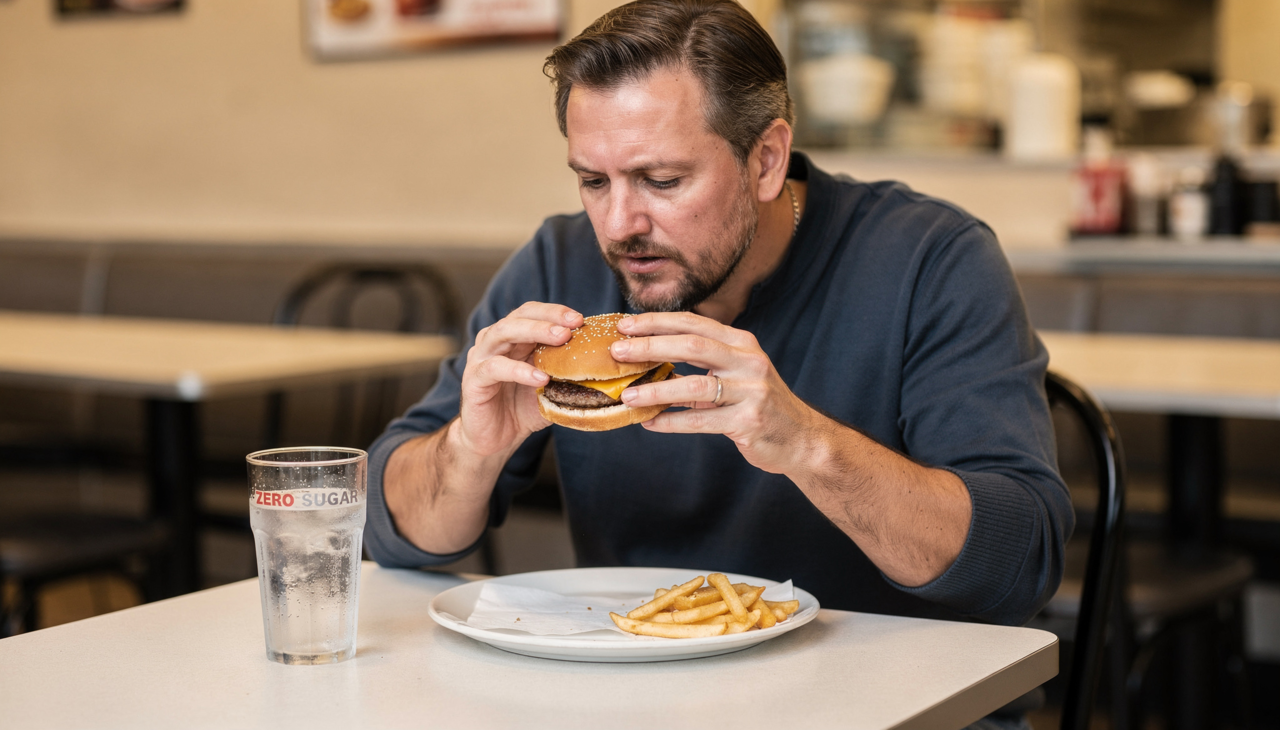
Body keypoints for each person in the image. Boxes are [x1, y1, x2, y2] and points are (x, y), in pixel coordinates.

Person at [366, 0, 1071, 633]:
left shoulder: (930, 259)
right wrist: (470, 449)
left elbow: (1016, 568)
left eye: (662, 180)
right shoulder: (560, 264)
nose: (619, 225)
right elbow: (389, 532)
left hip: (893, 698)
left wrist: (806, 444)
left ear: (766, 160)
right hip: (638, 695)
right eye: (593, 181)